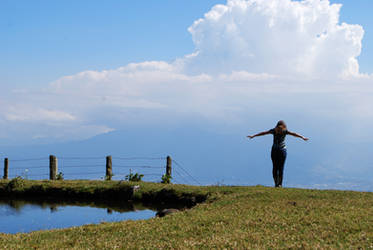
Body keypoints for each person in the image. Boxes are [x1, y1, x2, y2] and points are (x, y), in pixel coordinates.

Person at [247, 120, 308, 187]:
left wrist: (302, 137)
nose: (279, 130)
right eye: (278, 128)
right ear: (277, 127)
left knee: (280, 168)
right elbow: (264, 133)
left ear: (283, 127)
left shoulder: (285, 131)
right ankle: (276, 183)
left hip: (281, 150)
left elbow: (294, 134)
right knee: (275, 167)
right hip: (275, 151)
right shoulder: (274, 130)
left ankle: (280, 184)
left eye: (281, 129)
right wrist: (254, 136)